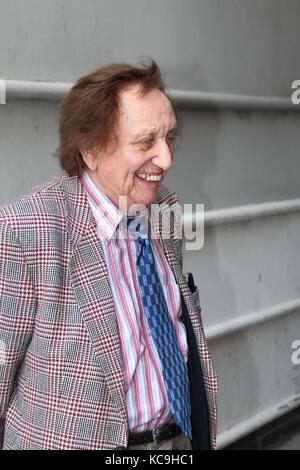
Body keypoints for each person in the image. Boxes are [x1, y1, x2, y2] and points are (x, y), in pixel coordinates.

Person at [0, 60, 217, 450]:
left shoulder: (164, 206)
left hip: (177, 440)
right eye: (145, 142)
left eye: (169, 138)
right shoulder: (26, 229)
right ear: (91, 149)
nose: (166, 159)